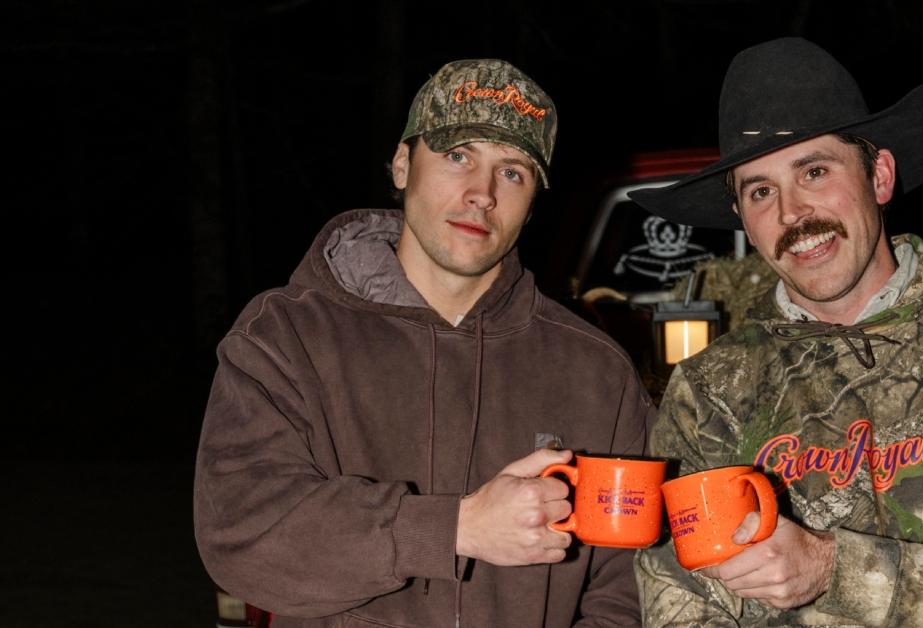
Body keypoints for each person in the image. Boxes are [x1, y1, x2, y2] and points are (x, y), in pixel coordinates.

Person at [631, 37, 923, 627]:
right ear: (742, 221)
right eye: (760, 191)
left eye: (815, 171)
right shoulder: (708, 393)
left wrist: (834, 569)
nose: (791, 213)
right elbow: (679, 603)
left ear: (879, 176)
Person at [194, 58, 653, 628]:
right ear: (402, 163)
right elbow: (243, 533)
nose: (482, 193)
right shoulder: (288, 337)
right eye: (458, 156)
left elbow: (630, 578)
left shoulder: (594, 370)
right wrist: (456, 527)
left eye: (512, 172)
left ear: (533, 202)